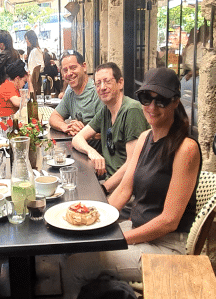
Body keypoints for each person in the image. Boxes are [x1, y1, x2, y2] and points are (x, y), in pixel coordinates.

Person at [65, 67, 201, 283]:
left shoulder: (186, 148)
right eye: (146, 98)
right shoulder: (146, 137)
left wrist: (119, 239)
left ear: (175, 102)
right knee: (73, 245)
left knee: (78, 262)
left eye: (161, 100)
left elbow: (169, 221)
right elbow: (125, 190)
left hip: (166, 246)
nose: (152, 107)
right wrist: (92, 218)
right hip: (138, 229)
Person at [72, 62, 149, 193]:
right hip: (108, 181)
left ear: (120, 83)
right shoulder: (105, 111)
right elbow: (77, 139)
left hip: (127, 190)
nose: (102, 87)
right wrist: (92, 152)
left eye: (107, 81)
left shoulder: (131, 111)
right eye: (98, 83)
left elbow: (133, 164)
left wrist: (104, 189)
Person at [49, 50, 101, 136]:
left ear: (84, 67)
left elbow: (108, 132)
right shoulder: (70, 93)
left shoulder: (97, 93)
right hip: (77, 146)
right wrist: (66, 127)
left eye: (73, 68)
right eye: (65, 70)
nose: (69, 73)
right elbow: (54, 117)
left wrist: (83, 132)